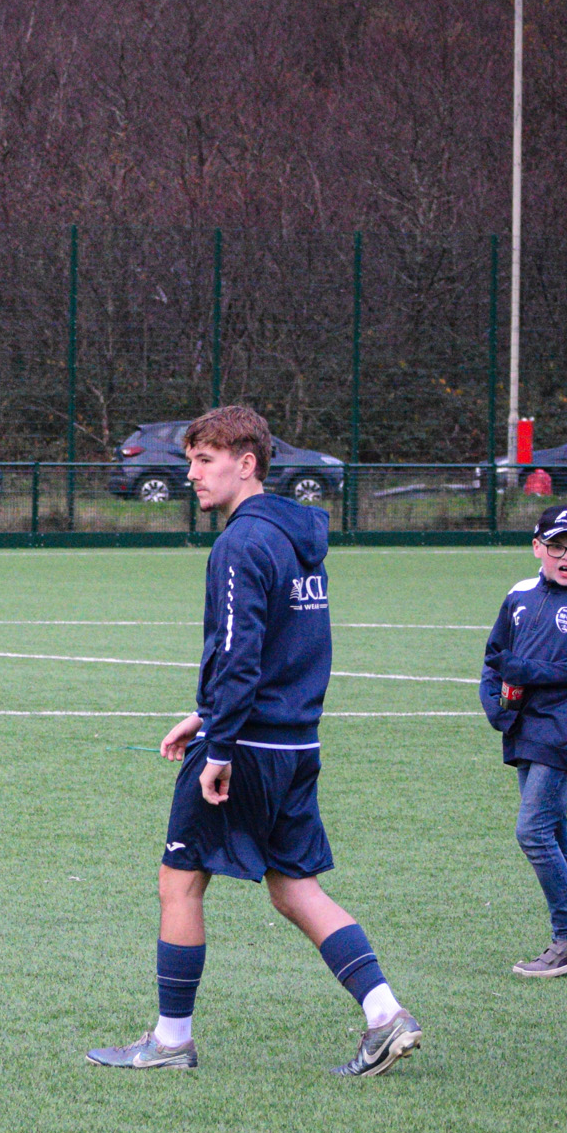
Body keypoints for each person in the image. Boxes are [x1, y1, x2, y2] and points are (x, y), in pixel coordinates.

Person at [88, 405, 423, 1076]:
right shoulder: (297, 537)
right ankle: (386, 1013)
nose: (191, 475)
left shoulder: (241, 543)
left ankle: (171, 1038)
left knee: (179, 880)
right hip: (294, 743)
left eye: (204, 460)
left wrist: (217, 747)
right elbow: (278, 647)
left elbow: (240, 653)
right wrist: (203, 711)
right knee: (293, 887)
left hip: (246, 749)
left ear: (247, 463)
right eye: (189, 461)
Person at [481, 504, 567, 977]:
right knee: (552, 832)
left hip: (566, 732)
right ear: (537, 546)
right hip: (524, 731)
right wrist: (496, 708)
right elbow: (495, 656)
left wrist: (531, 674)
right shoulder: (519, 594)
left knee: (533, 831)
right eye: (558, 545)